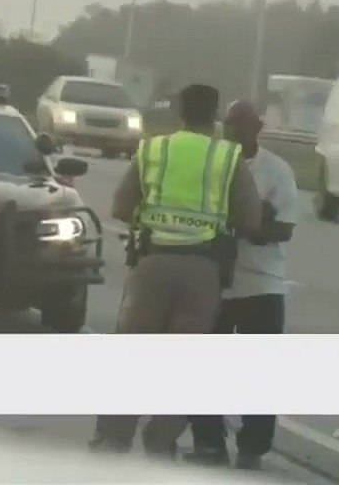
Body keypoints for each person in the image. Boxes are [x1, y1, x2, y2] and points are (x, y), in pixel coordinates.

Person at [90, 84, 263, 458]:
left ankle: (112, 441)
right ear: (215, 116)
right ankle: (161, 438)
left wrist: (152, 218)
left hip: (152, 264)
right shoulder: (227, 157)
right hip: (202, 269)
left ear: (179, 112)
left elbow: (120, 208)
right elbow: (251, 219)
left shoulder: (155, 149)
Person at [186, 100, 300, 470]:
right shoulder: (211, 163)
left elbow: (284, 228)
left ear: (258, 128)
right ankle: (208, 443)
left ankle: (253, 447)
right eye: (231, 122)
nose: (235, 130)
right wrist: (249, 217)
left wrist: (246, 225)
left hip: (262, 283)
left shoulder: (276, 170)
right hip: (214, 280)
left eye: (243, 123)